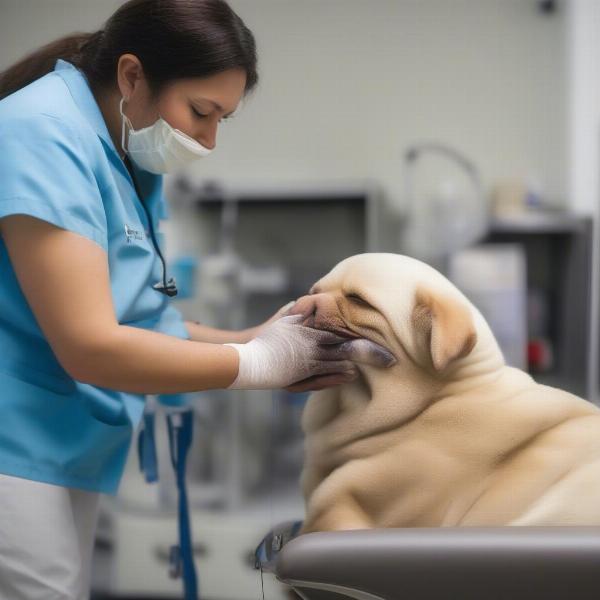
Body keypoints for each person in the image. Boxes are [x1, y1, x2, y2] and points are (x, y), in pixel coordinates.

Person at [0, 1, 393, 598]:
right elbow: (88, 346)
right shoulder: (42, 132)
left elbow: (138, 320)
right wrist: (257, 365)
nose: (208, 140)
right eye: (201, 112)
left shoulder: (128, 153)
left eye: (222, 120)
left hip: (58, 443)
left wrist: (260, 338)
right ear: (132, 76)